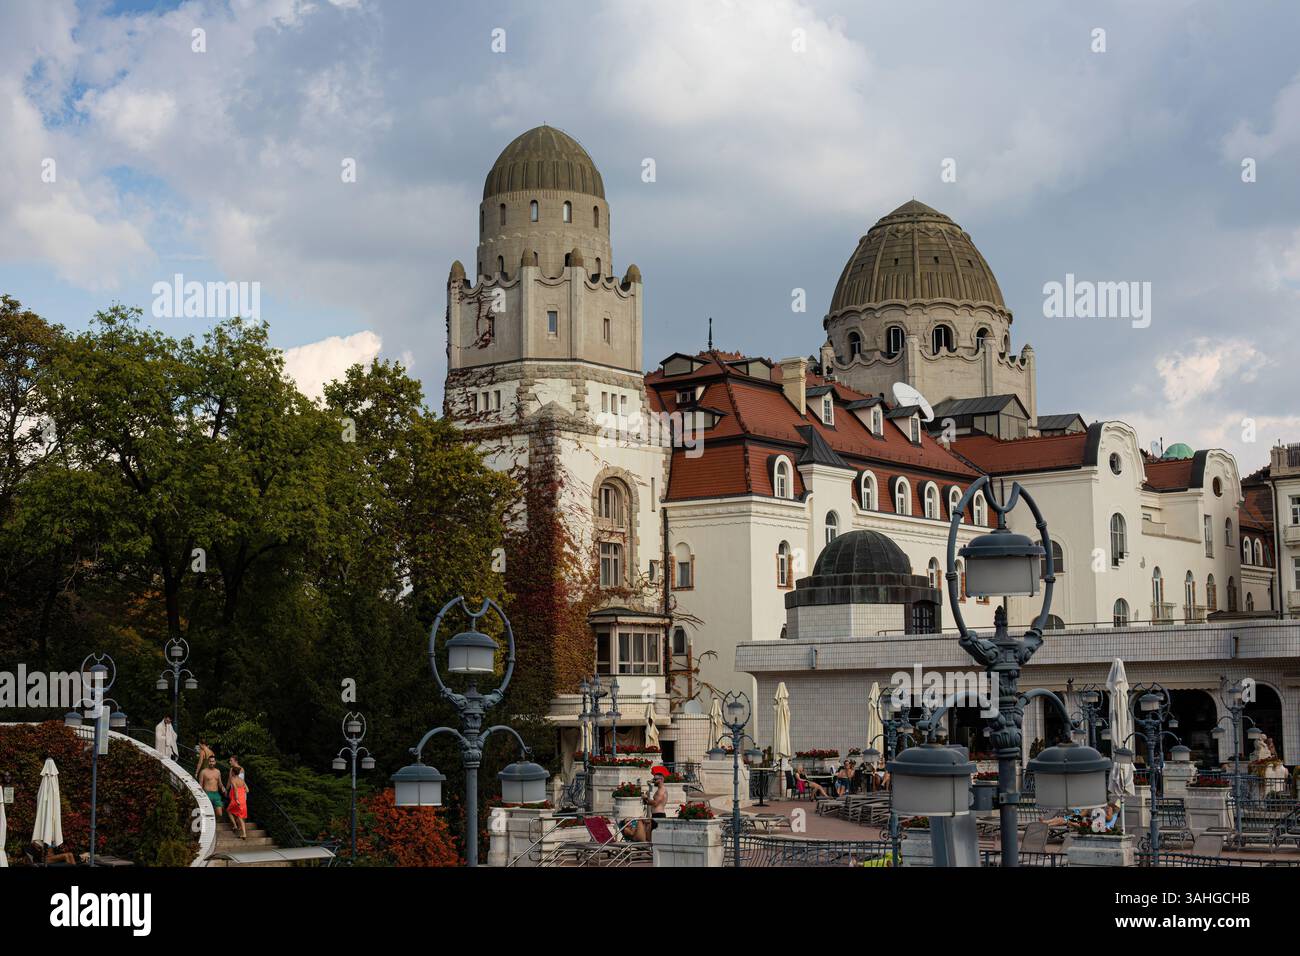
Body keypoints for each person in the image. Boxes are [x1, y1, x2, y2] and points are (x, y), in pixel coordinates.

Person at [199, 754, 225, 820]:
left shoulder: (218, 772)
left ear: (215, 762)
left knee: (219, 813)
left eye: (213, 761)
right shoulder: (203, 772)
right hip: (207, 794)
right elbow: (200, 785)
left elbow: (220, 783)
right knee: (207, 813)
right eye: (210, 761)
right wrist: (201, 795)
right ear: (208, 762)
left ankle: (213, 821)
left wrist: (222, 787)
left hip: (216, 794)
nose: (211, 763)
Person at [227, 765, 249, 839]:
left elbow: (235, 789)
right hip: (242, 799)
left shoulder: (233, 779)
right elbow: (248, 790)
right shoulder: (242, 780)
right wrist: (242, 791)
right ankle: (244, 834)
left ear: (233, 772)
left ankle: (235, 825)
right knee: (240, 817)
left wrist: (236, 799)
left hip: (237, 799)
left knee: (229, 811)